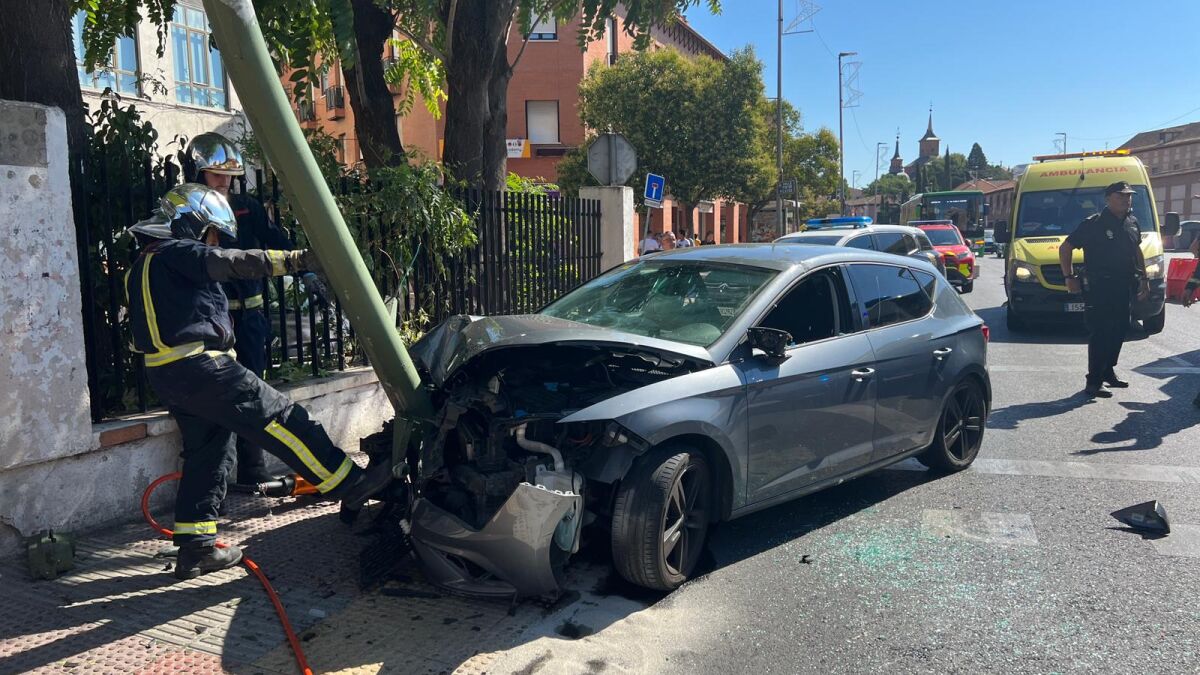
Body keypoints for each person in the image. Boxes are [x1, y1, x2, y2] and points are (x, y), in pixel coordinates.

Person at [126, 184, 389, 579]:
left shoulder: (143, 264)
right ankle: (353, 486)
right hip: (203, 368)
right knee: (284, 420)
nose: (215, 243)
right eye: (212, 234)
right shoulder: (178, 252)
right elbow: (232, 262)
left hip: (166, 375)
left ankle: (196, 550)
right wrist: (300, 260)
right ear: (193, 224)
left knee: (208, 454)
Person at [180, 133, 327, 486]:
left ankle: (252, 468)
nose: (224, 181)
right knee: (215, 400)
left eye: (229, 175)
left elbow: (276, 240)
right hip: (211, 325)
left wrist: (306, 271)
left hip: (250, 320)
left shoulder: (248, 207)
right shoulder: (185, 211)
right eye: (216, 174)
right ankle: (213, 480)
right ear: (197, 173)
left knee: (254, 392)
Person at [1059, 181, 1149, 398]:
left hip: (1124, 285)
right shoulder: (1094, 223)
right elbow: (1066, 247)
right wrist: (1068, 277)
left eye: (1129, 196)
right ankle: (1093, 381)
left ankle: (1108, 371)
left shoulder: (1132, 222)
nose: (1126, 200)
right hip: (1099, 287)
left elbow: (1136, 250)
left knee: (1120, 329)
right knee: (1101, 332)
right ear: (1108, 199)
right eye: (1121, 196)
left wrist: (1145, 278)